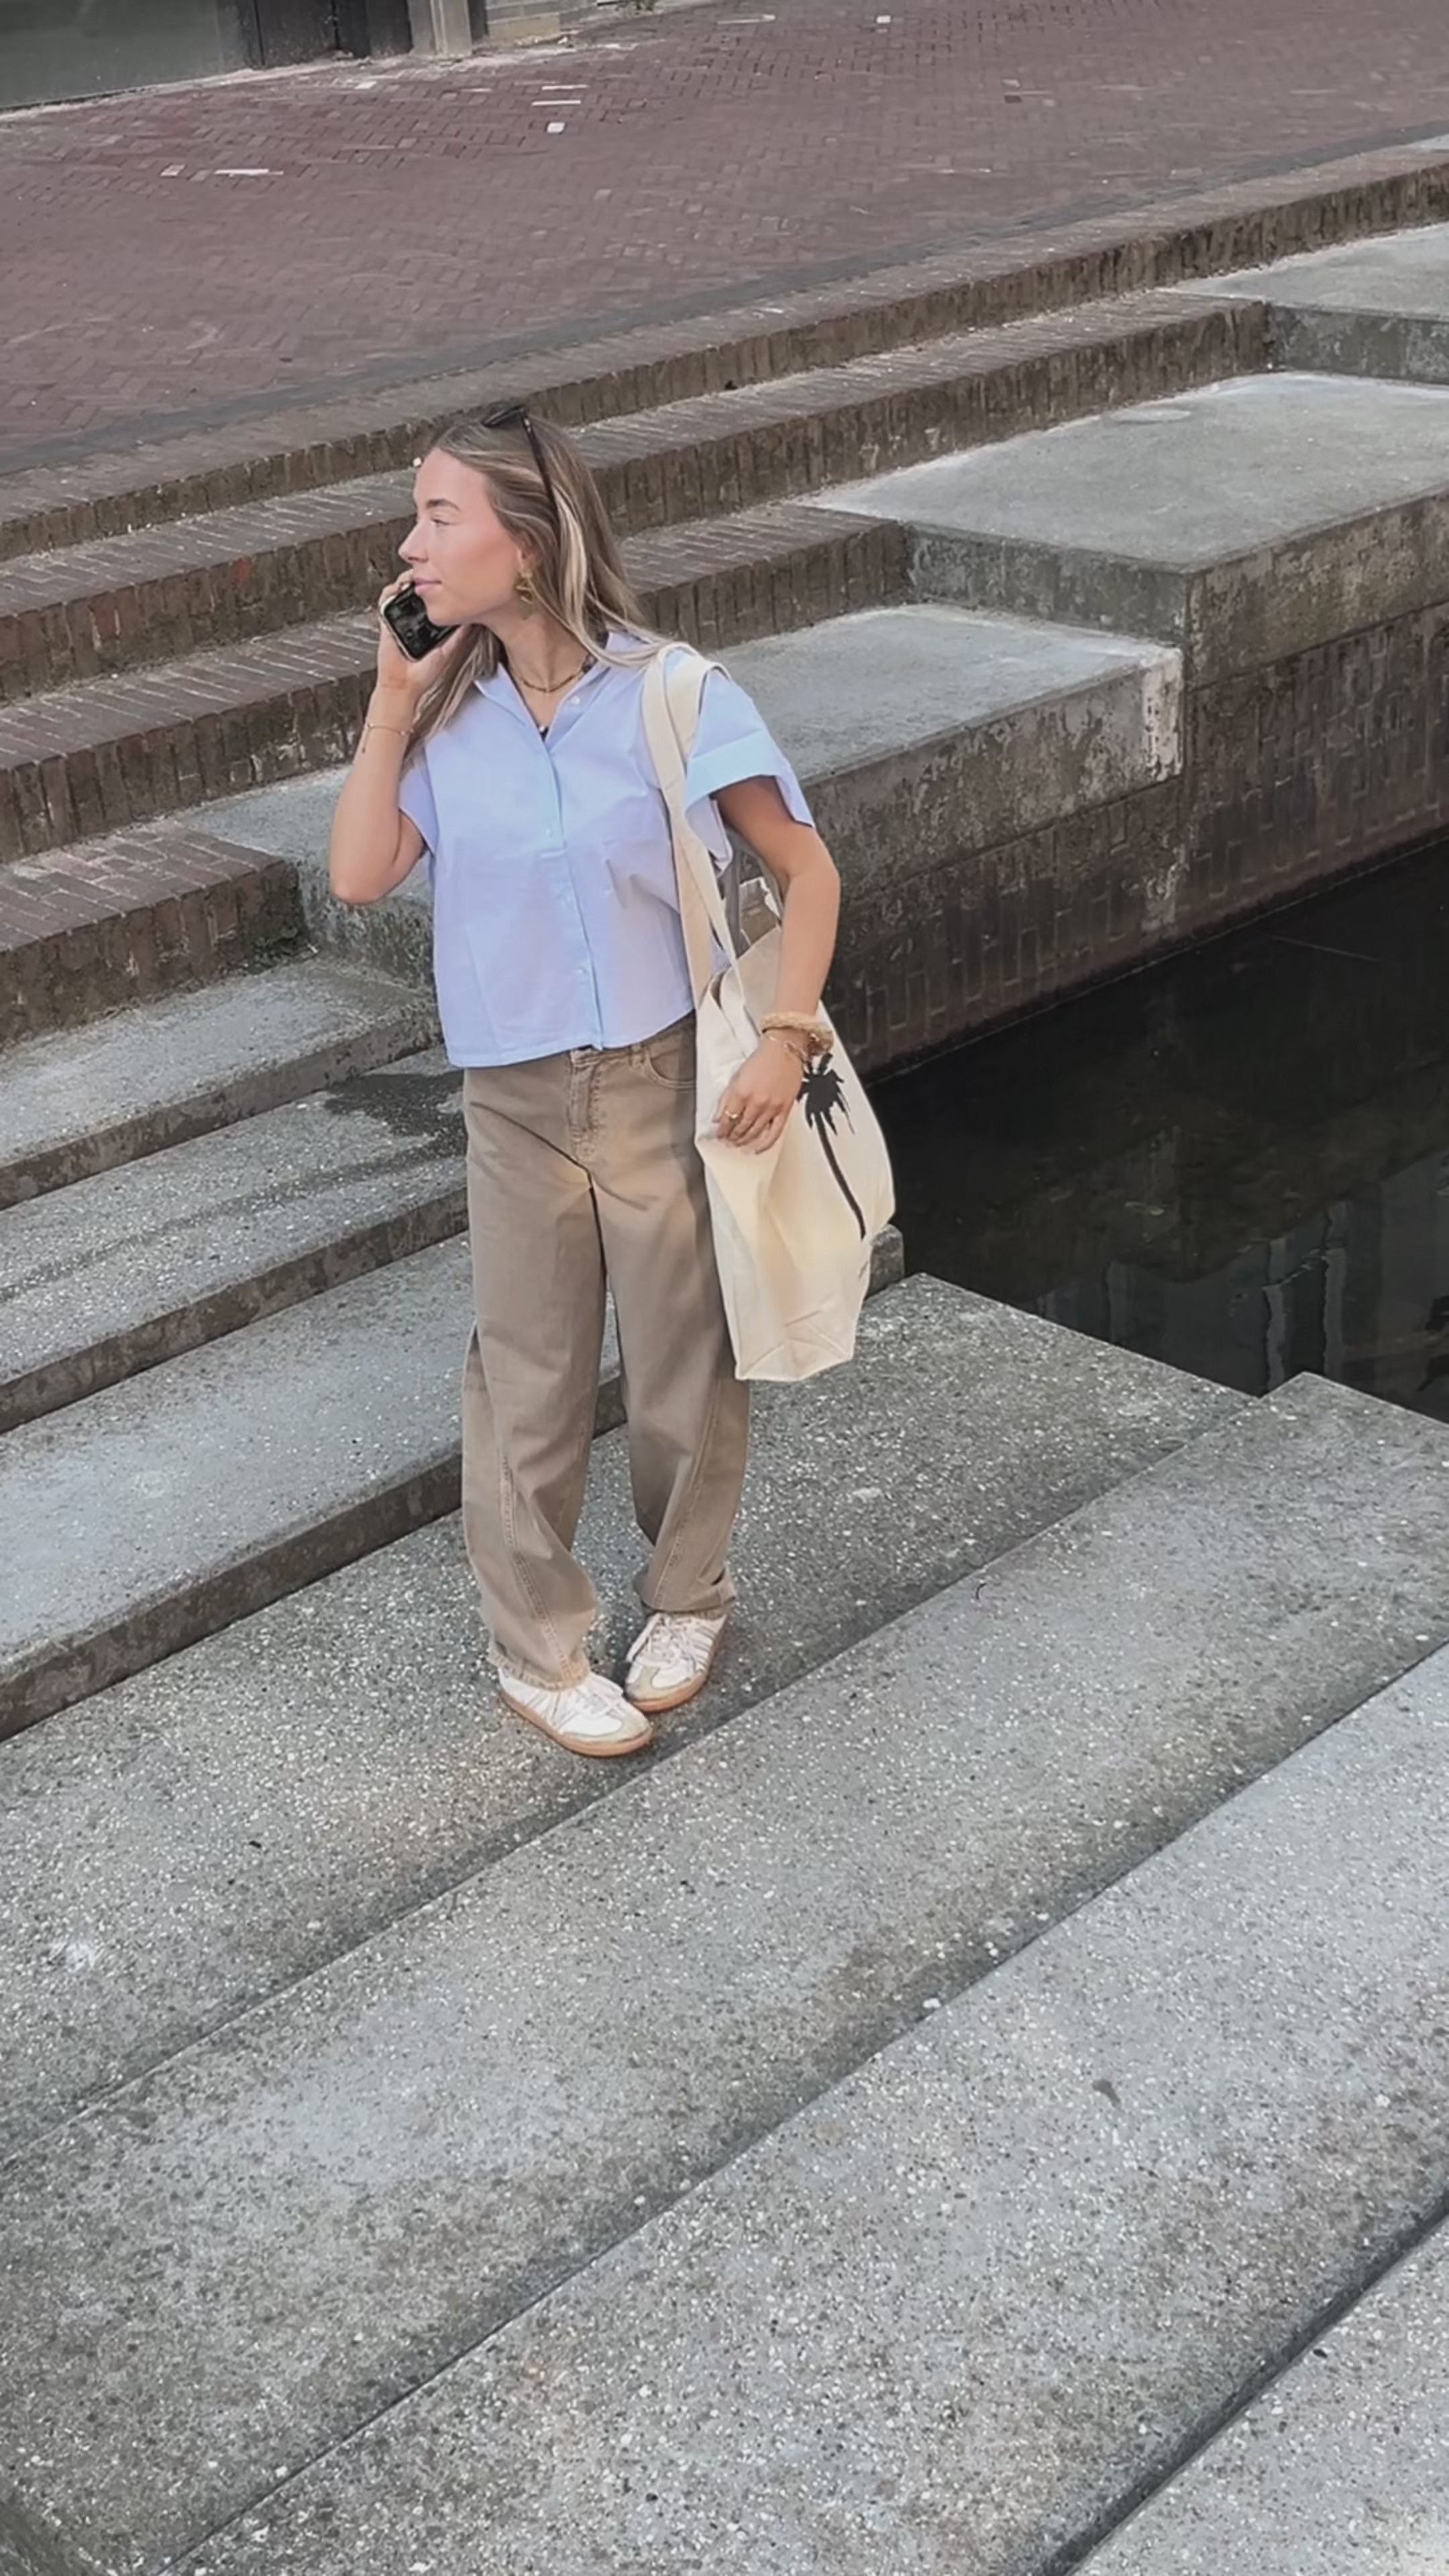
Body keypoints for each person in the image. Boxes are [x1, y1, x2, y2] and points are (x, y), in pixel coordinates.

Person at [329, 405, 841, 1761]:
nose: (409, 545)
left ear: (528, 538)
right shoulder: (447, 718)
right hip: (512, 1098)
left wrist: (787, 1039)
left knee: (686, 1363)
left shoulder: (673, 695)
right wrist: (391, 699)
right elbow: (360, 874)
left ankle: (688, 1595)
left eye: (439, 517)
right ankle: (539, 1650)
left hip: (667, 1081)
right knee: (525, 1379)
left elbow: (808, 873)